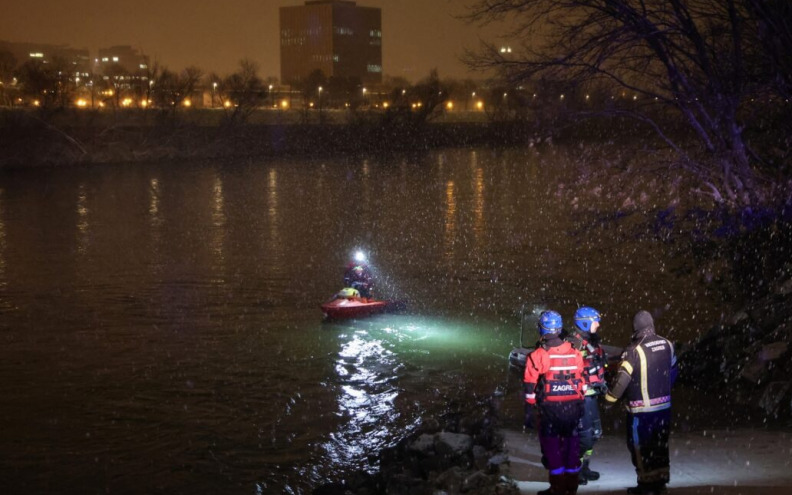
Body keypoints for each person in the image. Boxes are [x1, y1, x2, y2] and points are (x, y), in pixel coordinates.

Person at [605, 310, 677, 495]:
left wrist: (609, 400)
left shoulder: (633, 350)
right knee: (660, 445)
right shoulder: (667, 344)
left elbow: (622, 380)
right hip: (664, 409)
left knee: (640, 447)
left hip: (641, 412)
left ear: (635, 328)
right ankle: (661, 482)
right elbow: (674, 371)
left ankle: (646, 485)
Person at [524, 310, 586, 495]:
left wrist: (529, 411)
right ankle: (571, 487)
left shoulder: (537, 356)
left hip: (550, 413)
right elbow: (581, 383)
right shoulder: (576, 353)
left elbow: (529, 388)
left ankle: (557, 488)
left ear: (541, 329)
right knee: (571, 449)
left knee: (553, 451)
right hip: (573, 411)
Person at [565, 306, 607, 485]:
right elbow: (569, 372)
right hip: (580, 399)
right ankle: (575, 470)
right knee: (584, 436)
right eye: (595, 321)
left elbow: (596, 365)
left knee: (595, 433)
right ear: (585, 323)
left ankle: (584, 467)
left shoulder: (592, 343)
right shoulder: (573, 344)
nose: (598, 324)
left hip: (592, 397)